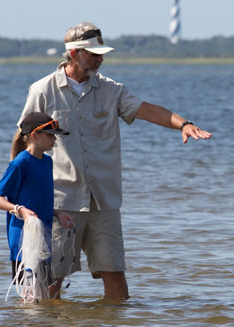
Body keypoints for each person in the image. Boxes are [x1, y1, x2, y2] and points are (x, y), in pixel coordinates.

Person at [18, 22, 212, 300]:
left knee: (116, 277)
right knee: (50, 281)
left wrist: (183, 124)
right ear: (73, 54)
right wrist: (23, 199)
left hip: (103, 202)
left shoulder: (112, 90)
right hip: (59, 202)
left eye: (101, 53)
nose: (100, 58)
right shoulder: (42, 90)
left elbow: (146, 110)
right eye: (93, 53)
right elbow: (23, 140)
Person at [0, 112, 74, 298]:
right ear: (35, 135)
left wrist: (57, 213)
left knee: (41, 298)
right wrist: (20, 210)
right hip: (23, 242)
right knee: (30, 297)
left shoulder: (47, 162)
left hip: (42, 238)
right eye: (50, 135)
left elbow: (36, 200)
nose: (54, 139)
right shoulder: (20, 163)